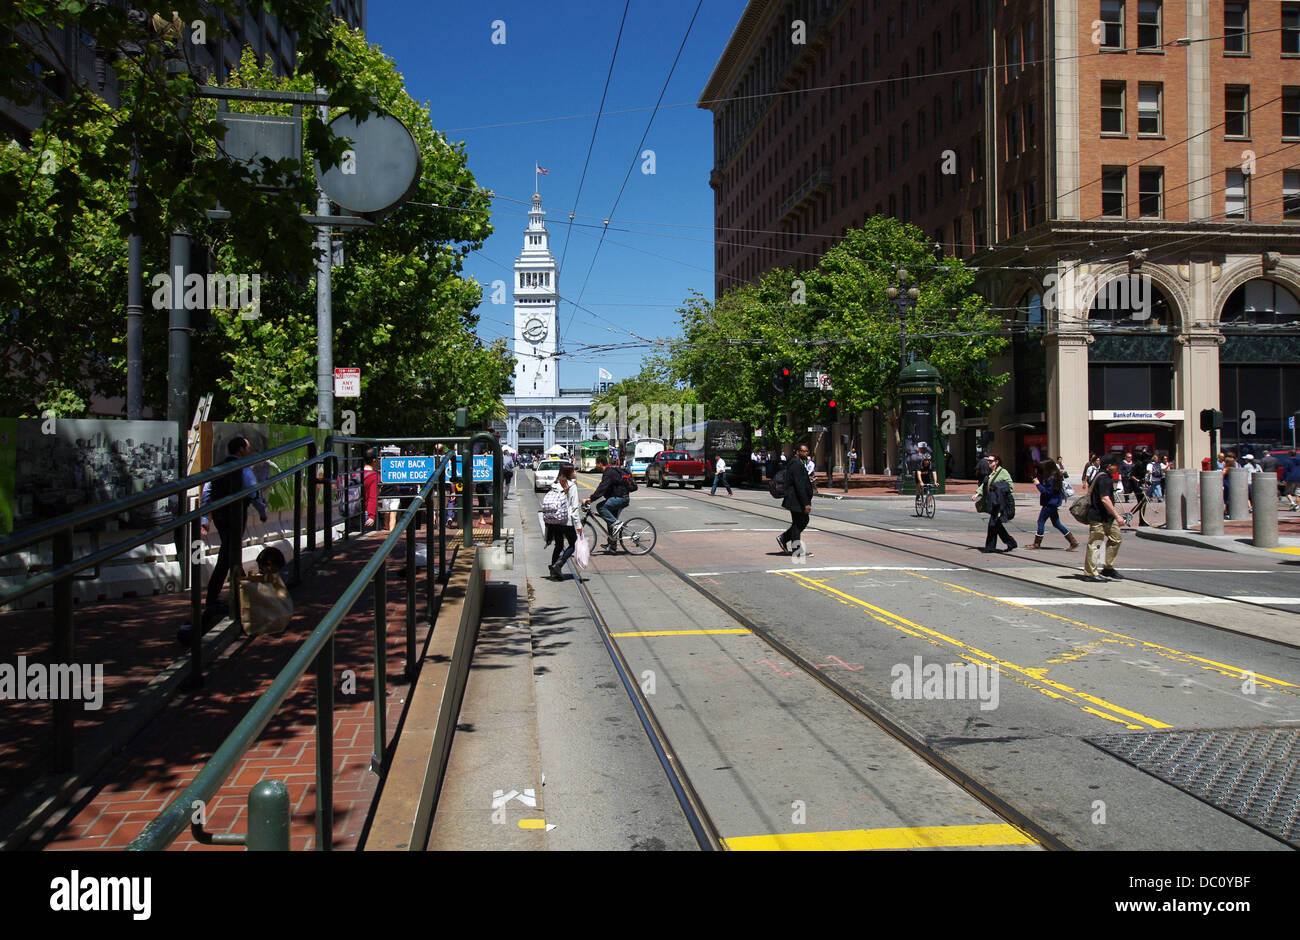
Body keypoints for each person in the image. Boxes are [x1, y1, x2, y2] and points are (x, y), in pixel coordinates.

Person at [186, 436, 268, 642]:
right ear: (240, 450)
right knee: (228, 554)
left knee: (229, 551)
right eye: (247, 447)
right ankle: (221, 596)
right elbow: (253, 492)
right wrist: (262, 511)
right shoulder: (244, 468)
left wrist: (205, 517)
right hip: (236, 515)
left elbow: (207, 492)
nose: (248, 451)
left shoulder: (219, 468)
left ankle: (229, 593)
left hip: (221, 516)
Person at [1083, 453, 1125, 582]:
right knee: (1096, 543)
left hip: (1107, 517)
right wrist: (1117, 516)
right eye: (1116, 465)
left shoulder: (1103, 476)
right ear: (1109, 466)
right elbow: (1105, 499)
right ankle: (1090, 573)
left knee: (1116, 538)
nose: (1117, 467)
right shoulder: (1104, 478)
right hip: (1098, 516)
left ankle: (1107, 567)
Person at [1028, 459, 1079, 550]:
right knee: (1056, 523)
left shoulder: (1051, 478)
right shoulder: (1055, 476)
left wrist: (1038, 484)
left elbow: (1047, 492)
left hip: (1050, 503)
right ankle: (1073, 541)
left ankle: (1037, 543)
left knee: (1041, 521)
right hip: (1053, 503)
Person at [583, 453, 630, 551]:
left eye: (596, 464)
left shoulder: (608, 472)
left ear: (600, 463)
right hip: (618, 497)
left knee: (601, 507)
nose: (596, 466)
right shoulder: (609, 471)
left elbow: (602, 487)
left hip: (621, 498)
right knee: (610, 522)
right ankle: (612, 545)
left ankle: (617, 524)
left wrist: (591, 499)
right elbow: (604, 488)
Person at [777, 442, 815, 556]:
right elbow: (799, 486)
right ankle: (796, 550)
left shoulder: (797, 462)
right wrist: (806, 503)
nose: (806, 453)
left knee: (801, 522)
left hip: (796, 499)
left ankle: (784, 538)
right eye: (804, 451)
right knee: (798, 524)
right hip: (796, 500)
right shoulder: (796, 464)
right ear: (798, 452)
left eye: (807, 451)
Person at [973, 453, 1017, 552]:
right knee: (995, 524)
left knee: (993, 524)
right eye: (988, 460)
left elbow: (1010, 487)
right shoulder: (990, 472)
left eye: (991, 461)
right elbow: (984, 484)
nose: (988, 462)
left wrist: (996, 486)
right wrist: (977, 493)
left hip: (1002, 503)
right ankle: (1010, 543)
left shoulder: (1003, 472)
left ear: (996, 462)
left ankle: (990, 547)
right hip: (994, 502)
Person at [545, 465, 582, 579]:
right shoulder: (572, 486)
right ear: (568, 473)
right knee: (573, 545)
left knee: (559, 545)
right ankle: (558, 565)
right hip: (566, 520)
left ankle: (553, 570)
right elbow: (574, 508)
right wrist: (578, 524)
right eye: (573, 471)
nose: (575, 473)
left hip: (555, 519)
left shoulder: (555, 484)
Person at [361, 448, 380, 529]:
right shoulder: (374, 476)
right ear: (374, 460)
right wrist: (371, 516)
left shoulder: (355, 472)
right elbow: (372, 496)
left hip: (352, 511)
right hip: (366, 512)